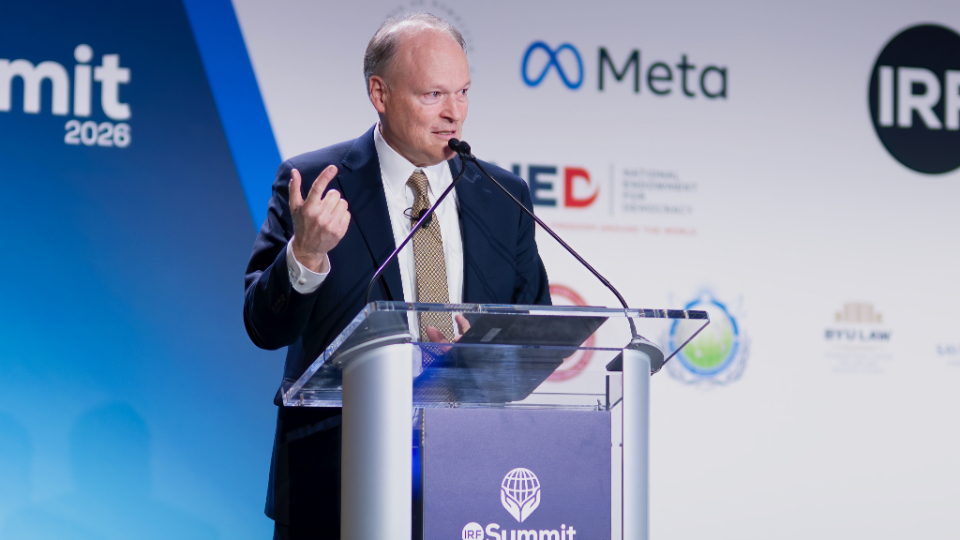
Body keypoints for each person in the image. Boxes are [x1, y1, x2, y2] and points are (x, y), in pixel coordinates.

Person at [243, 12, 551, 540]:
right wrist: (305, 255)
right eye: (433, 95)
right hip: (335, 485)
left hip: (472, 486)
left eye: (463, 92)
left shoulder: (503, 196)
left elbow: (536, 337)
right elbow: (264, 328)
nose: (454, 113)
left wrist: (480, 359)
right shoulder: (317, 183)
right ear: (379, 93)